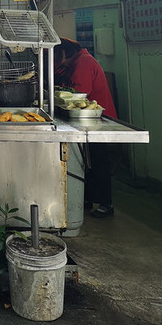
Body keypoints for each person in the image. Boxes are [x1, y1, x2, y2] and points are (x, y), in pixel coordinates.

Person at [54, 37, 118, 219]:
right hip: (86, 119)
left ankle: (105, 203)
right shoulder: (78, 61)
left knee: (98, 160)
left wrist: (58, 94)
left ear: (65, 52)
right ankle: (89, 198)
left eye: (58, 55)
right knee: (87, 160)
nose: (57, 60)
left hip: (98, 120)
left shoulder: (84, 62)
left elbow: (80, 93)